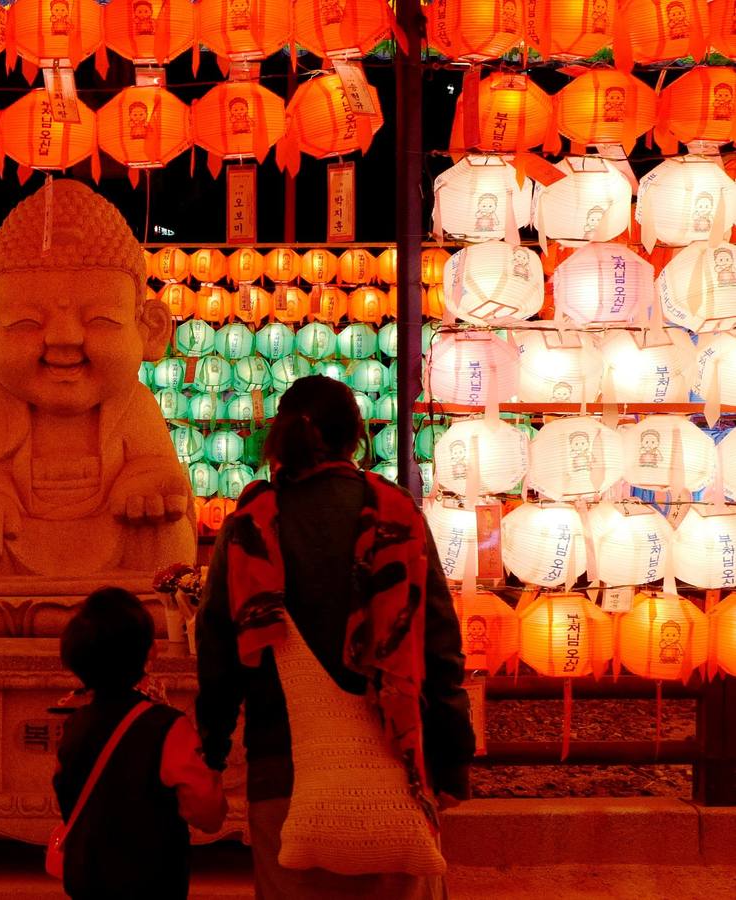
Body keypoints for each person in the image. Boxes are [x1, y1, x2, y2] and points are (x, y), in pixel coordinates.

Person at [196, 375, 474, 899]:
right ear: (356, 439)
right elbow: (439, 644)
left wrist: (211, 753)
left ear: (279, 439)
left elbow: (218, 655)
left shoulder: (251, 525)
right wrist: (453, 757)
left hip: (281, 770)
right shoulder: (397, 515)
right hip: (396, 763)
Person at [54, 588, 227, 899]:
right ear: (149, 651)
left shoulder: (73, 725)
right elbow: (207, 812)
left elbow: (63, 789)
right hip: (152, 876)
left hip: (87, 874)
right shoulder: (168, 727)